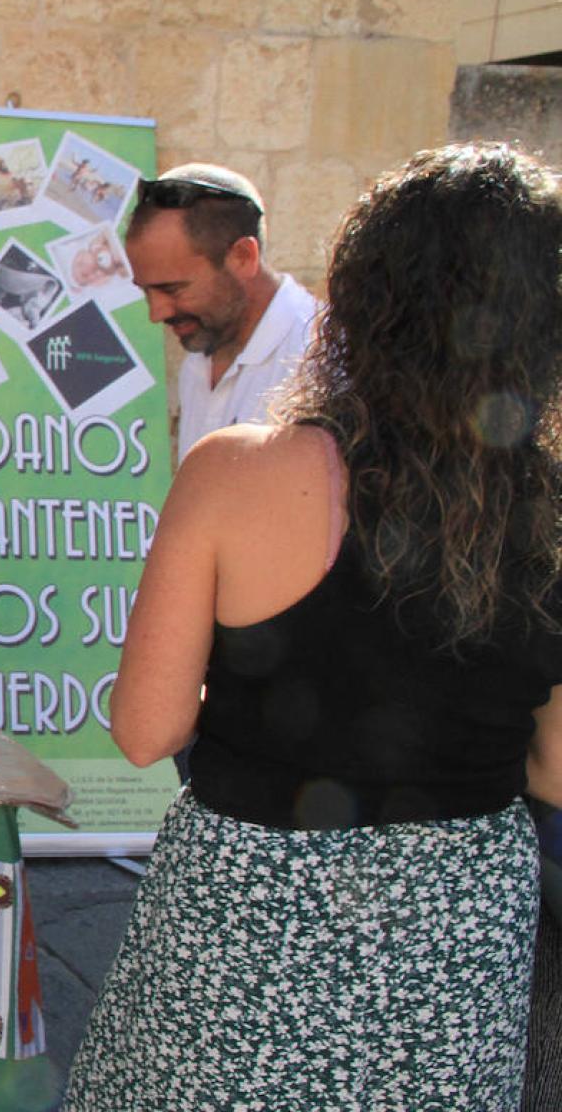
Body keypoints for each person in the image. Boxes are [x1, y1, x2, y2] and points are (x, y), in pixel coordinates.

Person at [63, 143, 562, 1109]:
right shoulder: (547, 508)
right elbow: (555, 769)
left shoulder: (234, 471)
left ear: (363, 295)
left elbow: (145, 730)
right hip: (458, 925)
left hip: (255, 907)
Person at [125, 163, 317, 460]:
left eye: (173, 289)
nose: (156, 313)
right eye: (145, 291)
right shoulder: (198, 363)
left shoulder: (318, 359)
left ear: (242, 257)